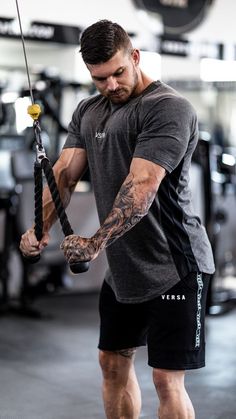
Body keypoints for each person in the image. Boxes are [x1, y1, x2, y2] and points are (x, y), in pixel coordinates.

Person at [20, 19, 215, 419]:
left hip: (175, 265)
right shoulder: (89, 111)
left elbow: (140, 186)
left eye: (117, 73)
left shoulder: (168, 108)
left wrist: (93, 242)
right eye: (99, 79)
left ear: (135, 57)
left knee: (165, 378)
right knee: (112, 363)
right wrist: (40, 230)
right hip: (125, 269)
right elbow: (64, 175)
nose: (110, 86)